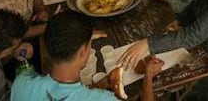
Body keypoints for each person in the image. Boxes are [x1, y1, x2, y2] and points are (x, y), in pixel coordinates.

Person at [11, 11, 163, 101]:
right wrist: (148, 76)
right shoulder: (104, 99)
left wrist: (96, 86)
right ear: (84, 52)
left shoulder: (20, 83)